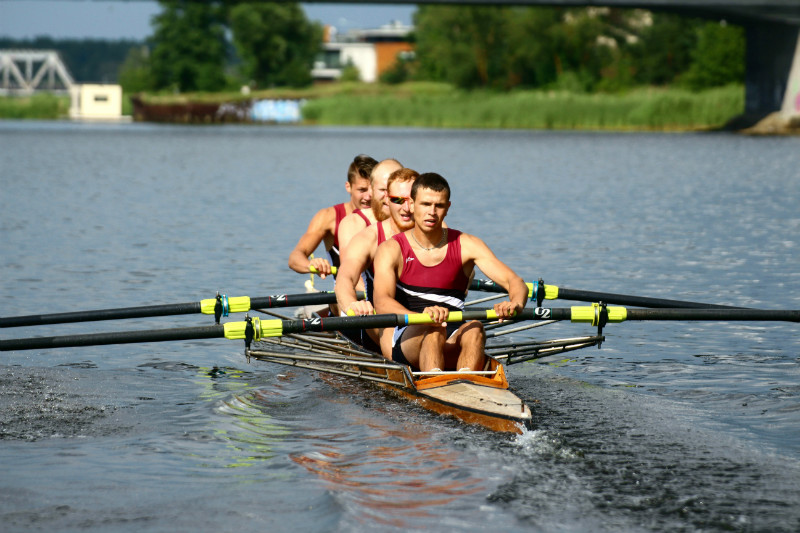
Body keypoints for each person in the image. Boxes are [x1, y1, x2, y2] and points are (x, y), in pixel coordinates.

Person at [372, 172, 528, 372]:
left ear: (448, 208)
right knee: (434, 330)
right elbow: (382, 302)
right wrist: (422, 317)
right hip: (410, 336)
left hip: (452, 332)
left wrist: (515, 303)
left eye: (439, 205)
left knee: (475, 328)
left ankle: (468, 382)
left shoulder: (468, 244)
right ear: (411, 204)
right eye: (425, 204)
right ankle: (436, 382)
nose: (432, 212)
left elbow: (514, 281)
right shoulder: (391, 249)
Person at [335, 168, 419, 347]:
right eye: (398, 200)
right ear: (388, 199)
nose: (406, 208)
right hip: (383, 327)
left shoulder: (437, 231)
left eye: (411, 200)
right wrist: (351, 304)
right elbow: (345, 277)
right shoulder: (369, 237)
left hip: (427, 320)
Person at [288, 154, 376, 280]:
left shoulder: (390, 215)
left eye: (373, 190)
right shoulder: (328, 217)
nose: (368, 197)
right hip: (346, 289)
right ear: (348, 187)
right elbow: (294, 258)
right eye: (362, 190)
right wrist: (311, 265)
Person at [336, 158, 403, 255]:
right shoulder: (353, 223)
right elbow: (349, 262)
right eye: (383, 190)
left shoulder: (417, 220)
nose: (388, 197)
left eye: (393, 190)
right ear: (372, 189)